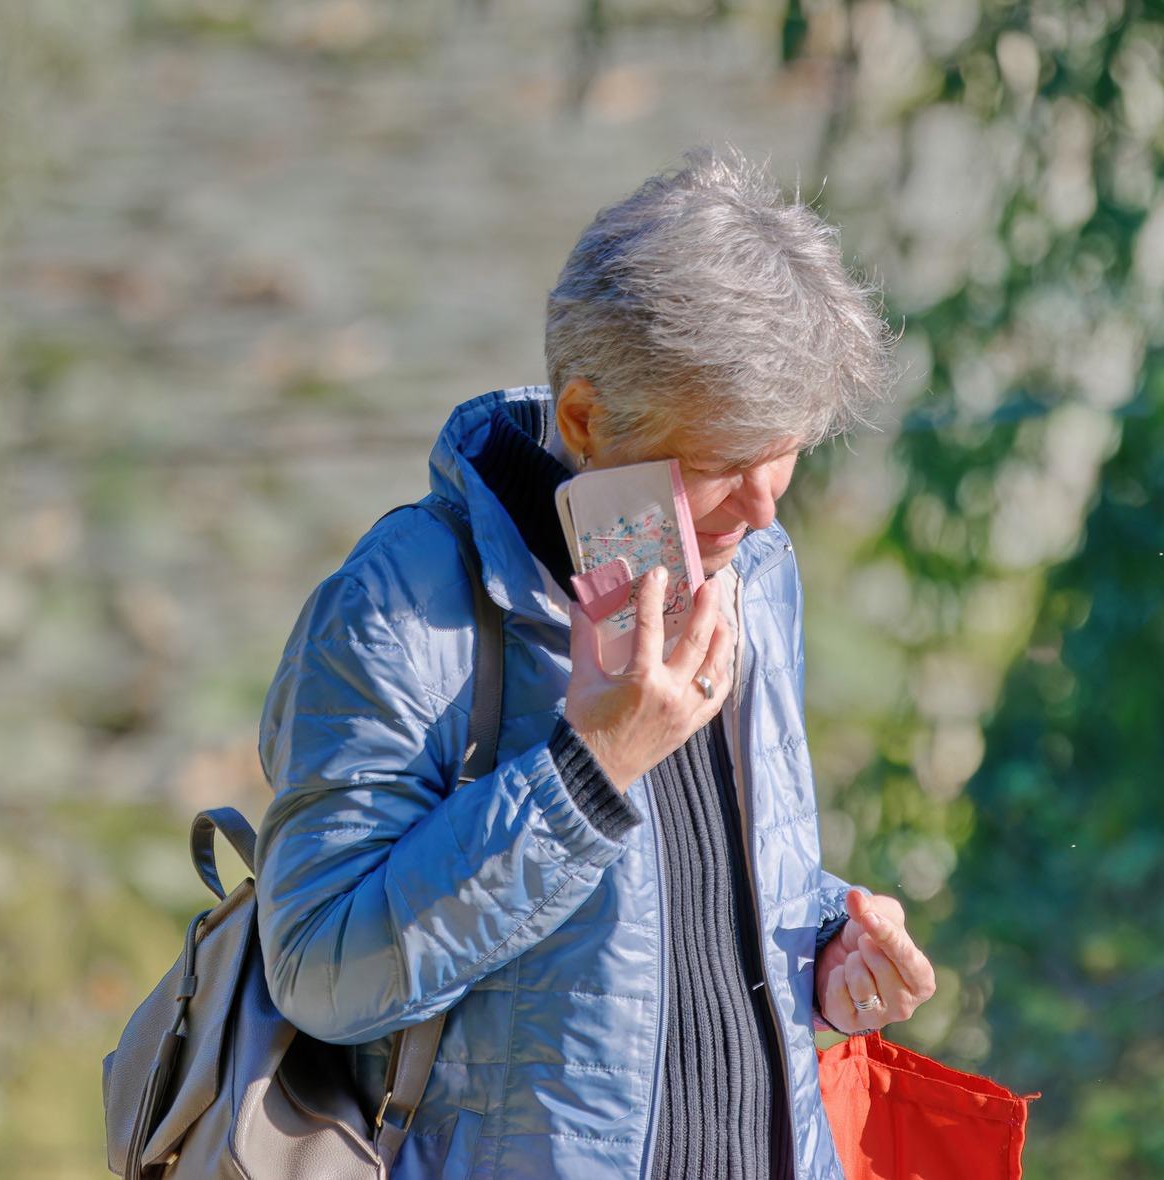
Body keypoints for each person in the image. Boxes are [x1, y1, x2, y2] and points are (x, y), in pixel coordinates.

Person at [254, 146, 936, 1180]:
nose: (764, 509)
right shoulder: (397, 606)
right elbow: (320, 969)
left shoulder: (753, 563)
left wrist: (821, 945)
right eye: (722, 466)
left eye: (784, 454)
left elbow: (687, 903)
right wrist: (587, 769)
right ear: (582, 419)